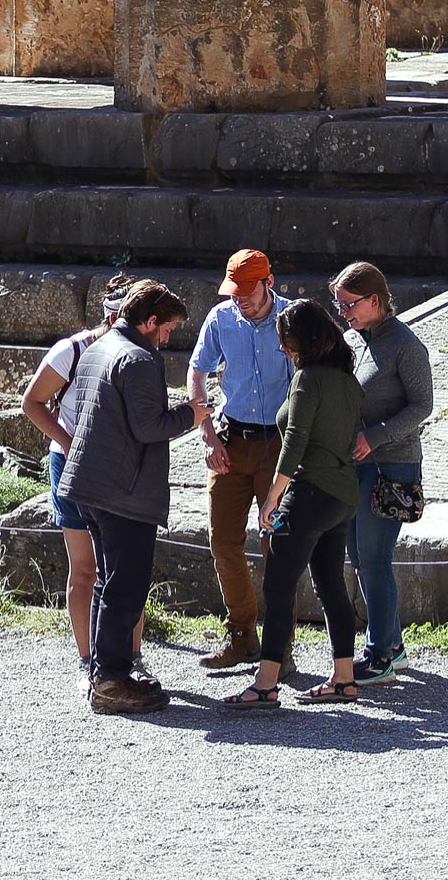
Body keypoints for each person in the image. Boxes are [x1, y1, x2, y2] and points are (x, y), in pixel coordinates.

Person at [55, 281, 198, 715]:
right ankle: (112, 681)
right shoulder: (138, 358)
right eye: (167, 329)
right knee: (126, 587)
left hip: (90, 484)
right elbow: (149, 427)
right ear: (150, 321)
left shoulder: (103, 345)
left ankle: (104, 672)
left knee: (108, 582)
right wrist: (192, 412)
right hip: (122, 491)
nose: (168, 339)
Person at [223, 300, 366, 711]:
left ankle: (266, 683)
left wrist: (273, 496)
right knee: (330, 584)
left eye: (286, 342)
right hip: (341, 496)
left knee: (279, 583)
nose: (283, 349)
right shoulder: (347, 380)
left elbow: (295, 439)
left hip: (308, 493)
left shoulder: (307, 379)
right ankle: (344, 677)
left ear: (303, 340)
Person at [19, 274, 144, 675]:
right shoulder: (72, 350)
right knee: (85, 568)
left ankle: (132, 657)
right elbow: (33, 402)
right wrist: (71, 442)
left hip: (119, 466)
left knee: (125, 567)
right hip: (71, 463)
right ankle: (87, 659)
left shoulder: (141, 353)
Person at [186, 248, 294, 670]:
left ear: (269, 282)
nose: (240, 300)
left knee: (278, 545)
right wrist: (207, 434)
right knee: (223, 542)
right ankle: (242, 635)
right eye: (235, 292)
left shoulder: (292, 319)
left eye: (248, 292)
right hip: (231, 439)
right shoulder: (220, 318)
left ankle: (280, 646)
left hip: (278, 446)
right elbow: (196, 371)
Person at [333, 262, 434, 683]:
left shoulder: (407, 346)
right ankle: (391, 645)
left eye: (349, 305)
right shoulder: (352, 340)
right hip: (356, 465)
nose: (344, 313)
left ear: (376, 300)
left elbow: (422, 406)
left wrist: (374, 437)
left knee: (373, 560)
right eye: (338, 306)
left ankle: (380, 654)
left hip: (391, 465)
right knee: (360, 558)